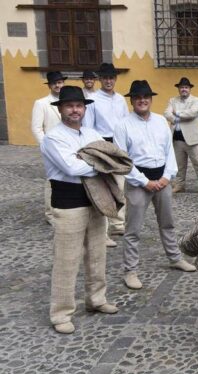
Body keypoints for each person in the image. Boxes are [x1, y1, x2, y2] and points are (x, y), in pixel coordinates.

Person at [41, 86, 120, 334]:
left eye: (79, 106)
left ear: (84, 109)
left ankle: (96, 299)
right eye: (69, 106)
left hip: (95, 198)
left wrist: (89, 160)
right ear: (61, 109)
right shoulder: (53, 138)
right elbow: (71, 167)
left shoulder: (91, 133)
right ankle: (61, 313)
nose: (75, 110)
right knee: (67, 259)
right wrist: (98, 163)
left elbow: (108, 159)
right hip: (68, 200)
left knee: (97, 253)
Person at [114, 79, 197, 291]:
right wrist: (144, 181)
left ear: (150, 100)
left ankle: (174, 257)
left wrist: (167, 176)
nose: (142, 101)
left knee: (168, 223)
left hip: (162, 179)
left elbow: (169, 151)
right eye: (138, 98)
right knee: (133, 229)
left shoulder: (161, 121)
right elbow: (122, 160)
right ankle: (130, 270)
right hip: (138, 181)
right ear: (132, 101)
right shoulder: (122, 125)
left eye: (146, 97)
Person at [83, 62, 129, 237]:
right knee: (102, 185)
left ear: (115, 79)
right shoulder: (93, 99)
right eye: (105, 78)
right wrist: (97, 148)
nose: (108, 81)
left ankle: (118, 223)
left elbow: (126, 123)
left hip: (119, 145)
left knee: (121, 184)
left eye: (111, 78)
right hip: (102, 143)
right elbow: (88, 126)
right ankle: (102, 222)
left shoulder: (120, 99)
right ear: (100, 79)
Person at [32, 71, 65, 225]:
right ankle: (50, 213)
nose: (58, 85)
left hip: (67, 145)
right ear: (50, 85)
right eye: (55, 83)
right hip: (51, 146)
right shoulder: (41, 103)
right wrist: (45, 146)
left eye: (60, 82)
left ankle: (64, 209)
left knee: (67, 178)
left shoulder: (67, 100)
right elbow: (37, 128)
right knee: (52, 180)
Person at [163, 77, 198, 193]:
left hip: (192, 138)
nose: (184, 89)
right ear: (178, 89)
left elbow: (192, 113)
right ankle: (179, 185)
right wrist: (176, 118)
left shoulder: (197, 100)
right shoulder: (173, 100)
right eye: (182, 87)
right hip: (176, 138)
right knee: (179, 165)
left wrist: (176, 113)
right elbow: (166, 113)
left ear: (190, 89)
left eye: (186, 87)